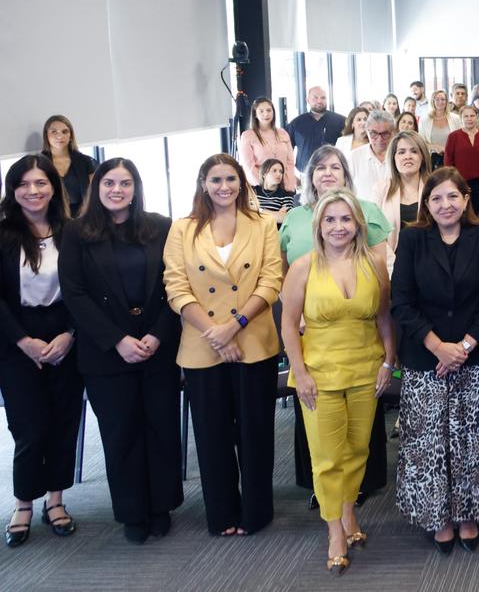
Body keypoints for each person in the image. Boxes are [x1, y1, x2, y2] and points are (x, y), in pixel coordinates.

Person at [58, 159, 181, 544]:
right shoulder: (77, 233)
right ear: (97, 188)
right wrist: (117, 340)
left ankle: (161, 507)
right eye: (109, 183)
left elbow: (175, 285)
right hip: (106, 352)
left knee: (161, 427)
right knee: (121, 432)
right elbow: (74, 293)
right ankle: (133, 513)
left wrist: (158, 335)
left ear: (136, 188)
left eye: (125, 183)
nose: (117, 190)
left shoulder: (161, 226)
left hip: (157, 345)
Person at [162, 154, 284, 536]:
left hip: (253, 340)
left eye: (231, 179)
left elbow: (271, 280)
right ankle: (221, 513)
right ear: (203, 183)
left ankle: (256, 512)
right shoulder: (182, 229)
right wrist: (215, 333)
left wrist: (234, 326)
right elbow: (176, 287)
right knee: (212, 436)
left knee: (255, 434)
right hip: (203, 345)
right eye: (215, 180)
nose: (224, 187)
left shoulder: (262, 224)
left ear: (241, 182)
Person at [391, 168, 479, 554]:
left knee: (469, 441)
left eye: (453, 196)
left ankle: (468, 514)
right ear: (426, 204)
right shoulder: (412, 238)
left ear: (466, 199)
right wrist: (438, 346)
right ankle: (438, 516)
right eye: (436, 198)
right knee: (430, 443)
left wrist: (464, 347)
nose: (445, 205)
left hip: (474, 357)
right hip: (425, 359)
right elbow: (401, 302)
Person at [280, 189, 395, 573]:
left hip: (366, 369)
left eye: (346, 219)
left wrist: (389, 362)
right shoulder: (303, 267)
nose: (338, 227)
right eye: (330, 219)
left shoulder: (373, 265)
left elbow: (384, 318)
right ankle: (334, 530)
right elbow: (288, 326)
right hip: (318, 375)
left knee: (358, 451)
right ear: (318, 225)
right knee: (328, 458)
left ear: (358, 224)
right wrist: (300, 372)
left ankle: (348, 513)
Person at [0, 156, 81, 546]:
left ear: (53, 187)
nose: (32, 191)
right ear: (13, 190)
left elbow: (84, 288)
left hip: (65, 335)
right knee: (29, 427)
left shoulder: (73, 232)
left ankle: (56, 501)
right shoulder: (3, 234)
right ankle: (23, 503)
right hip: (16, 339)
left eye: (40, 183)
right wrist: (23, 341)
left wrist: (70, 334)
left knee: (64, 422)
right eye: (23, 184)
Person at [377, 131, 433, 275]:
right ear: (393, 158)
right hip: (392, 267)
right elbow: (376, 235)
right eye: (401, 152)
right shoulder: (381, 189)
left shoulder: (434, 187)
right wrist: (395, 268)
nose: (408, 156)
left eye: (414, 151)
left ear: (422, 156)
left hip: (431, 265)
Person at [39, 115, 97, 215]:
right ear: (46, 135)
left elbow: (94, 192)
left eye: (65, 131)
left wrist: (84, 213)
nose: (59, 136)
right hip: (51, 216)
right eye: (54, 132)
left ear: (71, 136)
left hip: (83, 215)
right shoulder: (39, 164)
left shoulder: (85, 161)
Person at [238, 98, 297, 194]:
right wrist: (265, 185)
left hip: (285, 186)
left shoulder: (283, 133)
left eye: (269, 110)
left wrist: (290, 184)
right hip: (261, 188)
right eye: (261, 111)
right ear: (255, 114)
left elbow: (290, 162)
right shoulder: (248, 135)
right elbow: (248, 166)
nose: (266, 114)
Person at [288, 88, 348, 175]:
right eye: (315, 98)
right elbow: (287, 150)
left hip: (332, 173)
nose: (319, 101)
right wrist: (290, 174)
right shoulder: (296, 123)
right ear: (308, 100)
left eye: (323, 98)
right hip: (304, 174)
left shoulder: (341, 121)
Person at [444, 105, 479, 208]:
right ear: (461, 118)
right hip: (460, 183)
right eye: (466, 116)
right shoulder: (453, 137)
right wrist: (454, 182)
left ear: (477, 117)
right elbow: (448, 162)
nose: (469, 119)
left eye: (472, 116)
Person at [349, 111, 395, 202]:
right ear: (367, 132)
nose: (379, 139)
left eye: (385, 134)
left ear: (392, 133)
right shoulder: (354, 157)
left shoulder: (399, 156)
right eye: (373, 133)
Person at [252, 159, 296, 225]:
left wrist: (259, 211)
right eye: (274, 171)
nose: (279, 174)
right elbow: (248, 213)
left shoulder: (286, 195)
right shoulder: (253, 191)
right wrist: (276, 214)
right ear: (264, 174)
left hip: (275, 231)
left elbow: (284, 218)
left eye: (281, 171)